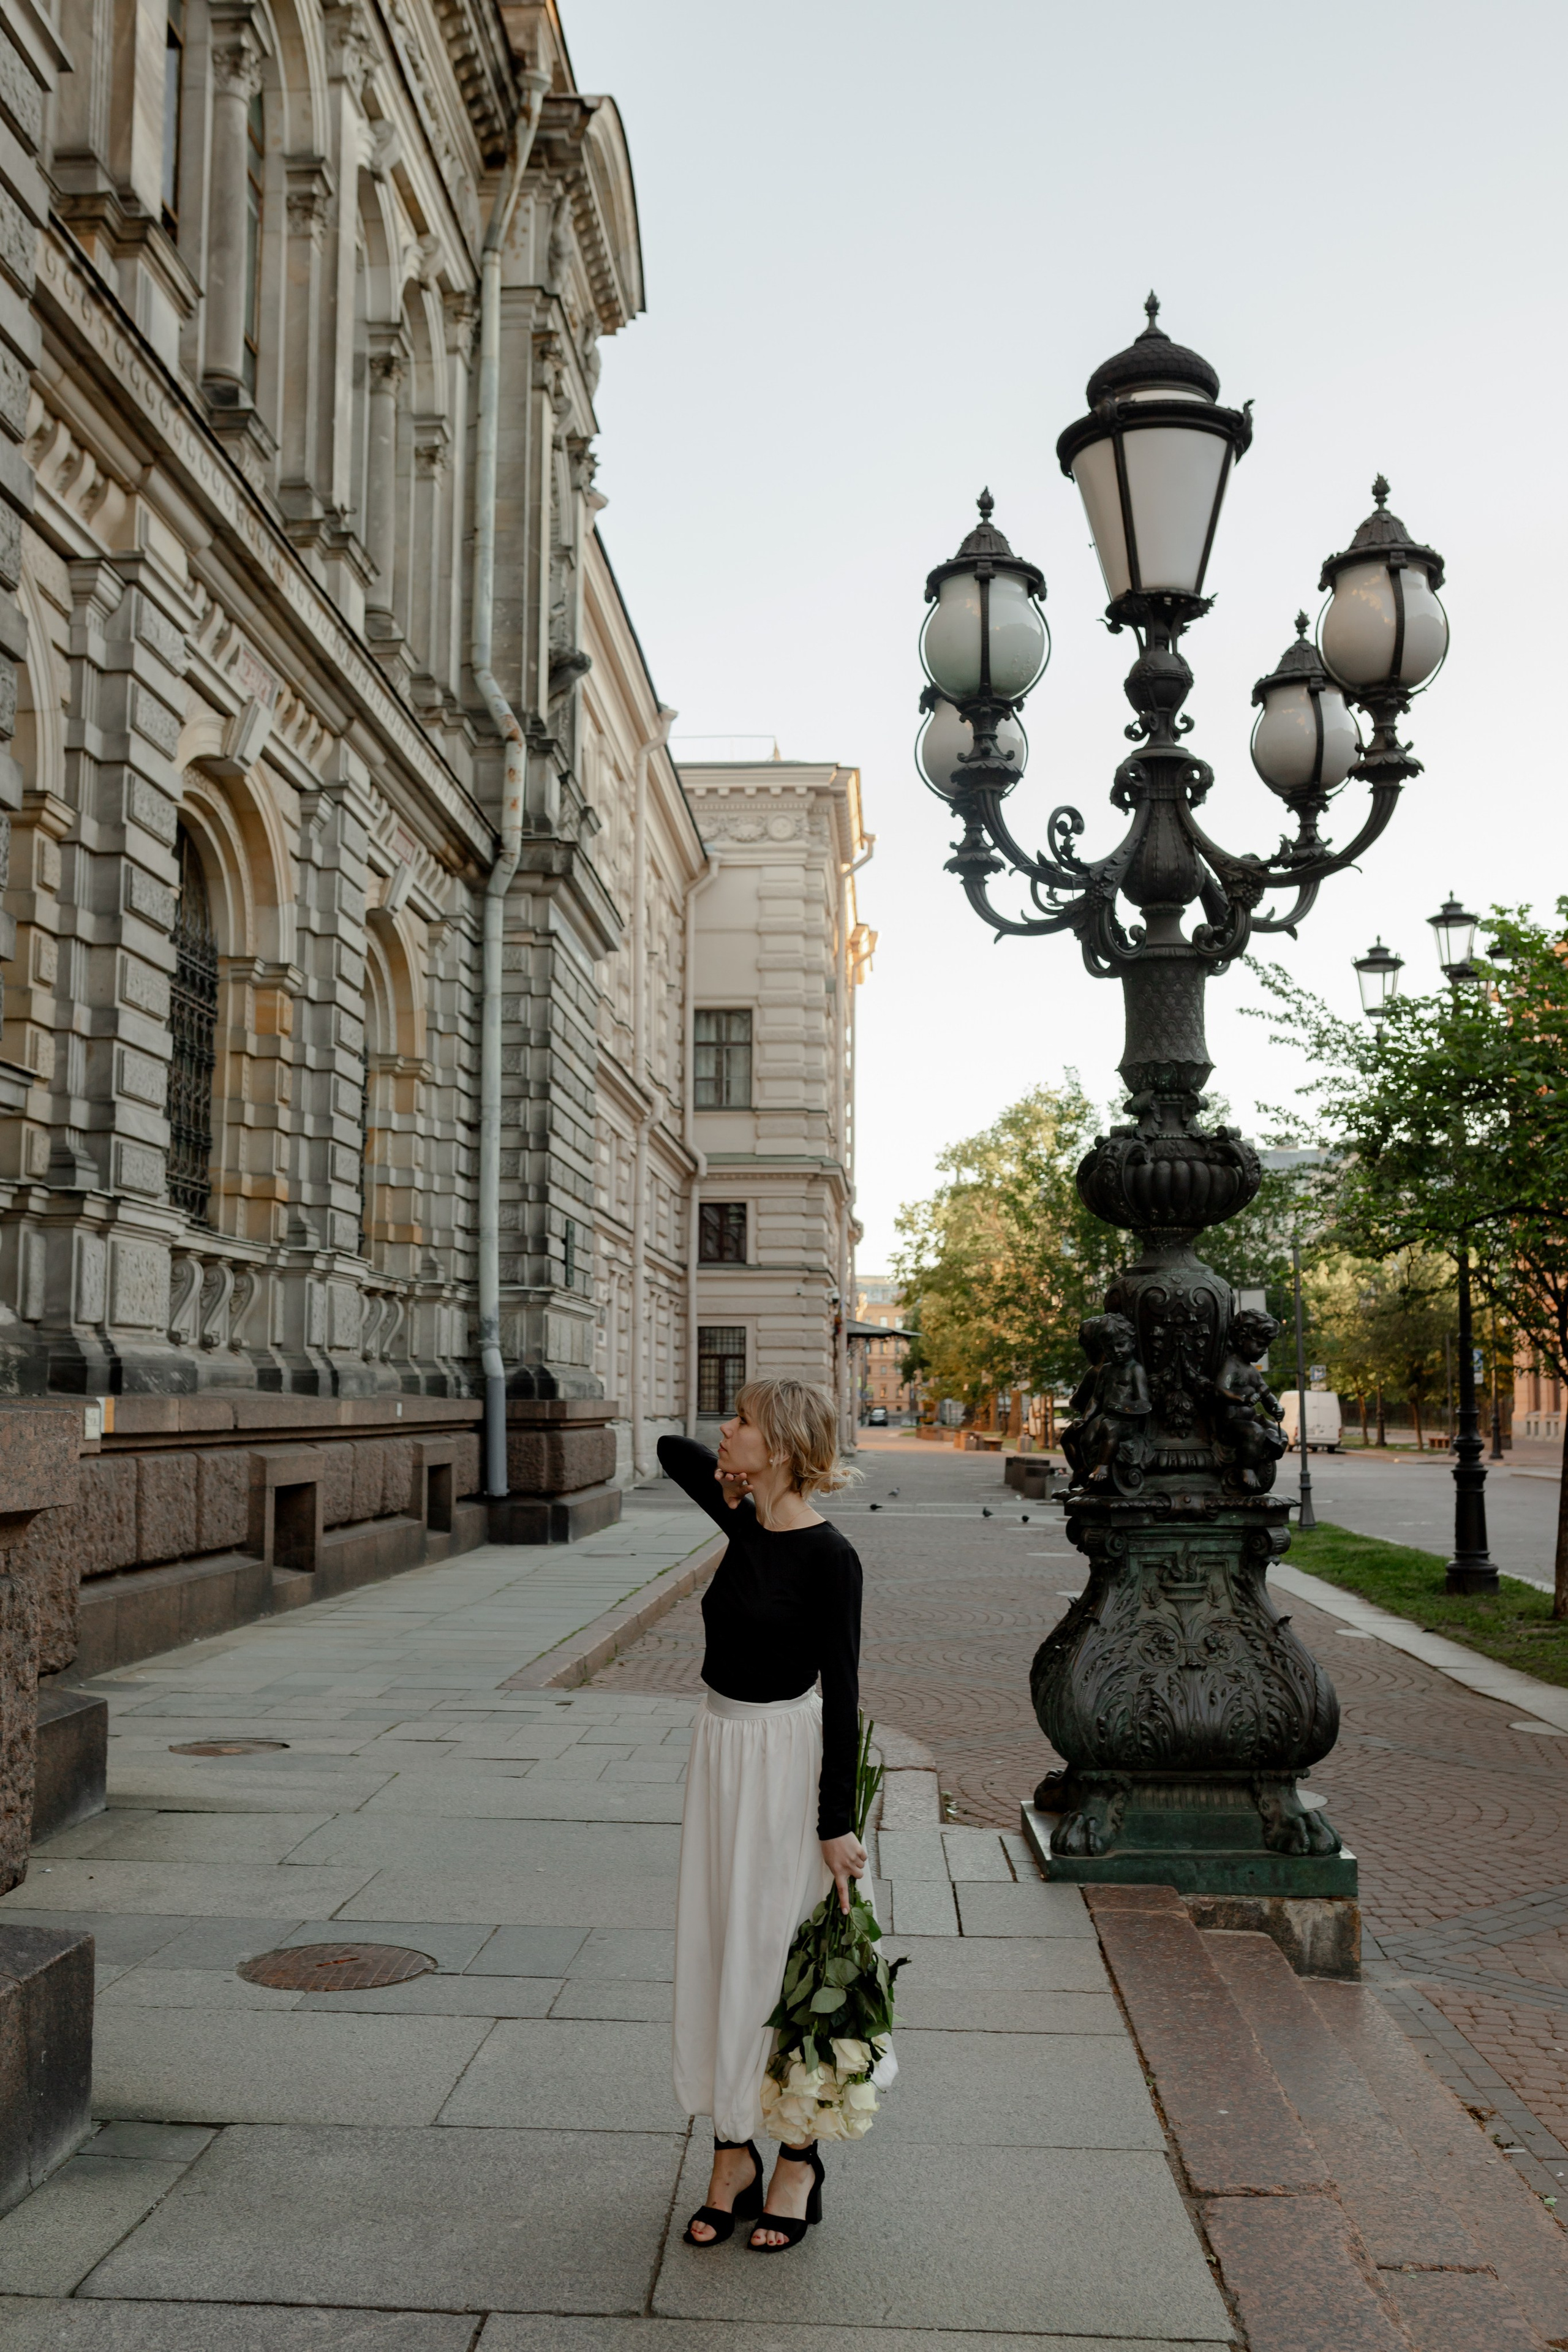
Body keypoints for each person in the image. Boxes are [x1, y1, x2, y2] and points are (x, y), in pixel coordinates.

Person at [658, 1379, 864, 2253]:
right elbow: (674, 1455)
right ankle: (731, 2151)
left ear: (777, 1443)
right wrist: (735, 1484)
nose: (723, 1431)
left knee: (780, 1959)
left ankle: (798, 2160)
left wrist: (836, 1823)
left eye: (740, 1423)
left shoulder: (832, 1558)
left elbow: (846, 1696)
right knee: (718, 1949)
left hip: (786, 1764)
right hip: (720, 1756)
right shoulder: (741, 1523)